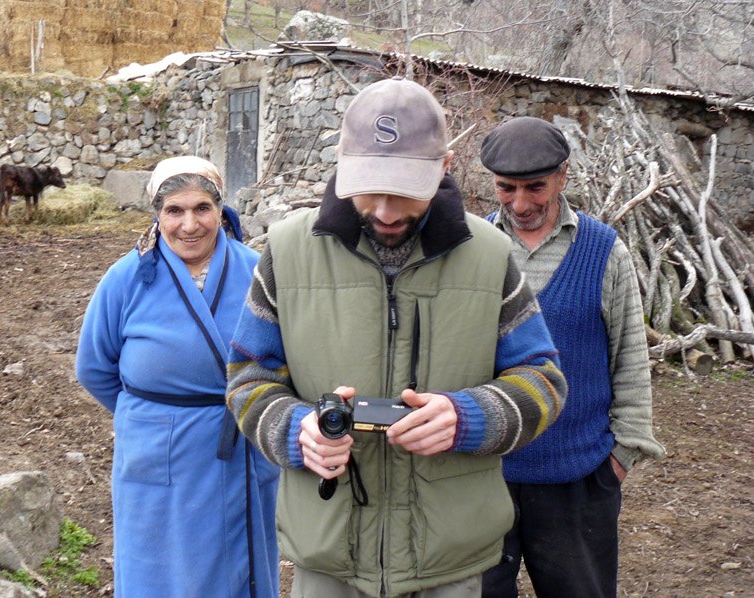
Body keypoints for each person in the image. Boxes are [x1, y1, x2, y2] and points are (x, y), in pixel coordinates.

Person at [226, 77, 568, 597]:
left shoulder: (490, 254)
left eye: (405, 191)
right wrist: (297, 431)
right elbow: (248, 378)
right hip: (328, 554)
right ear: (342, 163)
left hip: (448, 561)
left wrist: (469, 418)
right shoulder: (286, 251)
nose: (386, 211)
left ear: (445, 168)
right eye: (370, 187)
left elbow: (544, 381)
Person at [478, 117, 666, 598]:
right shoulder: (472, 251)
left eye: (535, 187)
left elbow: (629, 358)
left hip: (579, 479)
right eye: (506, 188)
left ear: (563, 175)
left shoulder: (604, 252)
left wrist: (621, 455)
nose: (520, 204)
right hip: (481, 478)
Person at [75, 156, 279, 597]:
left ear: (221, 212)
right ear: (157, 214)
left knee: (236, 571)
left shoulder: (256, 272)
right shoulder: (126, 278)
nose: (190, 224)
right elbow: (93, 367)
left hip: (239, 446)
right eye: (174, 210)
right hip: (158, 454)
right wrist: (149, 416)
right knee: (159, 571)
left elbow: (286, 359)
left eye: (202, 208)